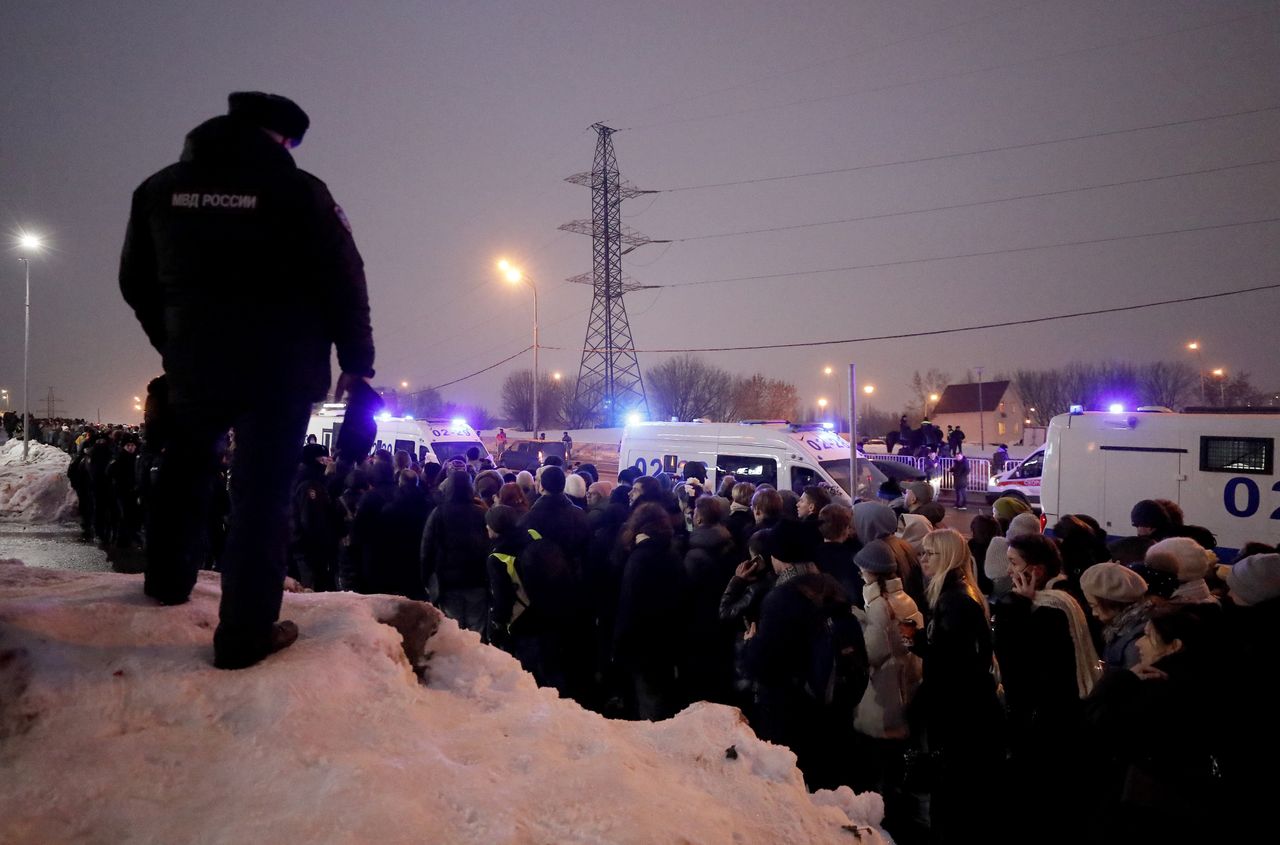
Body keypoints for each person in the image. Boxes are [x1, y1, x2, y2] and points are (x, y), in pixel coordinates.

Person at [120, 91, 375, 669]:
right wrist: (357, 366)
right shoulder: (301, 192)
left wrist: (175, 340)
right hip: (280, 370)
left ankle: (165, 582)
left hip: (195, 362)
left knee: (185, 468)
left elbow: (135, 280)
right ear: (279, 137)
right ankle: (244, 633)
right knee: (261, 495)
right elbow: (345, 282)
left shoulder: (160, 189)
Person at [909, 529, 1003, 844]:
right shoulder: (954, 593)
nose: (922, 559)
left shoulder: (955, 600)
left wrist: (920, 642)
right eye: (921, 552)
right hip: (963, 704)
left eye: (929, 553)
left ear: (947, 556)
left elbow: (954, 661)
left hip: (957, 709)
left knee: (951, 785)